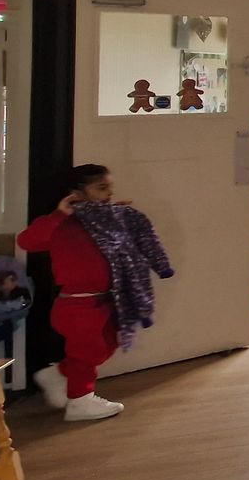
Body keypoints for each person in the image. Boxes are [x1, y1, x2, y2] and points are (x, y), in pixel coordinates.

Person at [16, 165, 174, 422]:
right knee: (87, 353)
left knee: (106, 346)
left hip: (105, 300)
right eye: (101, 188)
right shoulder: (61, 225)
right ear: (75, 193)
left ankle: (58, 374)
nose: (109, 193)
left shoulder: (103, 221)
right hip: (78, 304)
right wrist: (59, 215)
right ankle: (80, 401)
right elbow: (27, 241)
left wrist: (116, 219)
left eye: (110, 188)